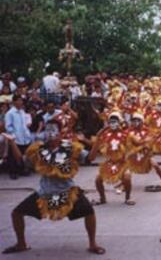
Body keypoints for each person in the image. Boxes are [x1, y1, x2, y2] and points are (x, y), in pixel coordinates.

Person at [2, 120, 105, 255]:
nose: (50, 133)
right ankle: (21, 244)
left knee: (89, 212)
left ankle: (92, 244)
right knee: (16, 213)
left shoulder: (70, 147)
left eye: (53, 130)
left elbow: (90, 159)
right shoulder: (39, 150)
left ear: (60, 133)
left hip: (68, 193)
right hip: (45, 194)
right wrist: (12, 142)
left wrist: (98, 140)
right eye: (48, 130)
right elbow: (21, 161)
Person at [88, 111, 135, 205]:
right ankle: (102, 198)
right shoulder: (105, 135)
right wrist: (101, 132)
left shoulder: (126, 135)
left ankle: (127, 198)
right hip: (109, 163)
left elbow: (134, 146)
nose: (113, 123)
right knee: (98, 179)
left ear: (119, 122)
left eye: (115, 121)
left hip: (122, 163)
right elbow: (94, 151)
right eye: (111, 121)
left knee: (127, 177)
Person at [5, 95, 31, 178]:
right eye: (18, 100)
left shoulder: (22, 112)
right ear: (14, 102)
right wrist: (13, 136)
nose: (20, 102)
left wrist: (26, 133)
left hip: (24, 136)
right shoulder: (10, 113)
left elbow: (24, 124)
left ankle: (21, 170)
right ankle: (13, 172)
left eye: (21, 100)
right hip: (15, 137)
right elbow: (8, 126)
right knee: (12, 155)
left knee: (21, 154)